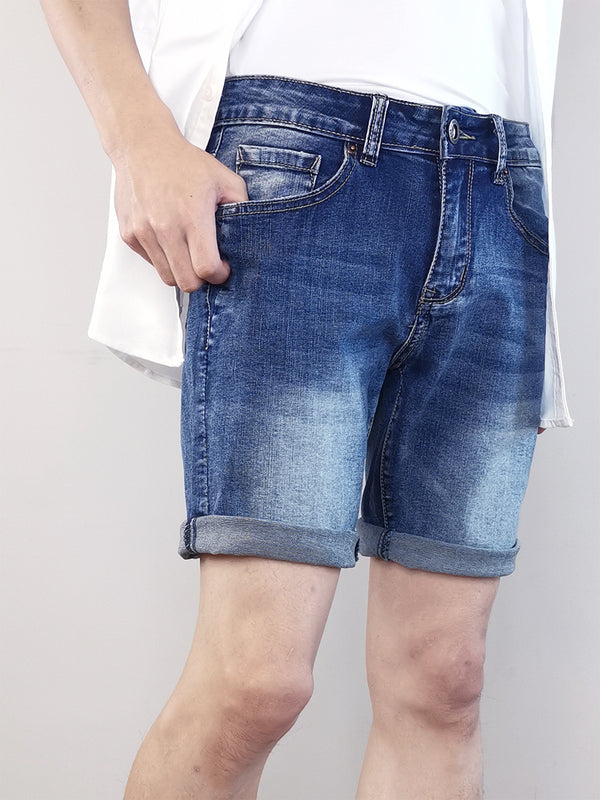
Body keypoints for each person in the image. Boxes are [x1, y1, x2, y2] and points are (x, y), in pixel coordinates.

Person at [38, 0, 574, 798]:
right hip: (294, 156)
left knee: (444, 681)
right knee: (256, 682)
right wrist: (137, 136)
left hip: (501, 182)